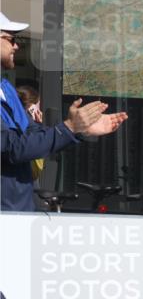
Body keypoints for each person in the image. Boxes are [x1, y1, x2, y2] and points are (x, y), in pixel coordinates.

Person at [1, 13, 128, 212]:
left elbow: (32, 134)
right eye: (10, 39)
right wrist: (68, 128)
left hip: (20, 211)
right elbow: (13, 148)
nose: (16, 46)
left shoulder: (6, 88)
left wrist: (78, 129)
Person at [15, 84, 44, 181]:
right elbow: (36, 170)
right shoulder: (27, 133)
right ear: (32, 109)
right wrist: (37, 127)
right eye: (38, 106)